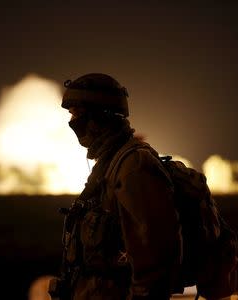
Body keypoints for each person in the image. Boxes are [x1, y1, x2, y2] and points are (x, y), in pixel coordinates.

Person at [48, 73, 181, 300]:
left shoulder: (134, 167)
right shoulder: (108, 166)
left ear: (100, 116)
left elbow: (154, 262)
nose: (72, 123)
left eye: (78, 114)